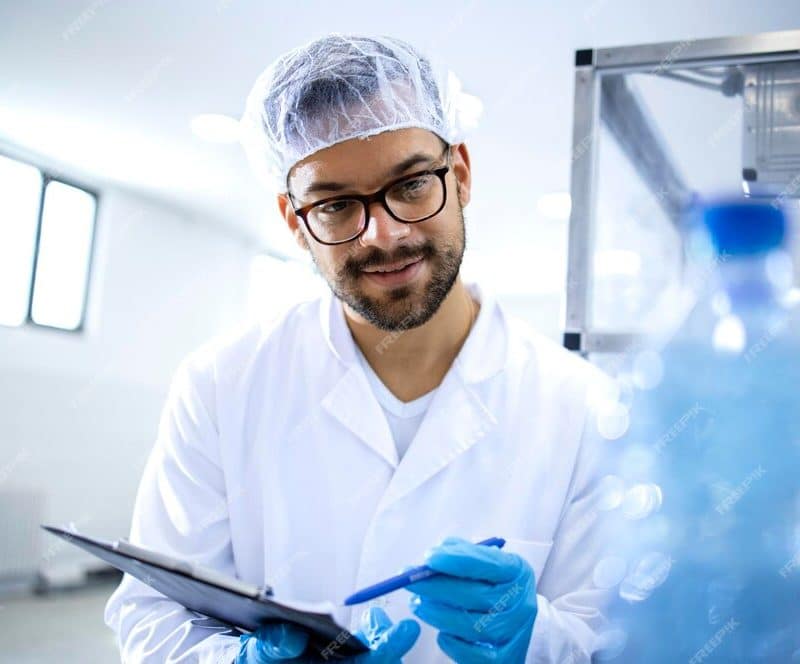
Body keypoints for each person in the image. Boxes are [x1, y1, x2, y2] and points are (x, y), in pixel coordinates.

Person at [105, 33, 620, 663]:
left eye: (409, 186)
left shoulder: (585, 405)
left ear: (459, 174)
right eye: (337, 204)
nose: (385, 234)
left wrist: (534, 639)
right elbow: (153, 615)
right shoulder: (220, 385)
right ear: (296, 221)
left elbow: (617, 640)